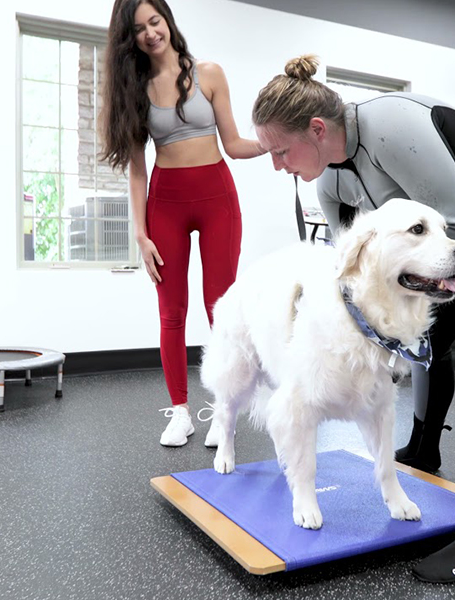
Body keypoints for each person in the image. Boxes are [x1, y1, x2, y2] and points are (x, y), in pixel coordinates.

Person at [251, 55, 455, 583]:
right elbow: (349, 263)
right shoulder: (328, 185)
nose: (277, 165)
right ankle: (422, 449)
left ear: (316, 129)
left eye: (280, 151)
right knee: (416, 334)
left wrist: (416, 285)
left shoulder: (392, 124)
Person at [101, 0, 265, 447]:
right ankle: (179, 412)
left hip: (217, 200)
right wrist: (140, 233)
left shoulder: (208, 74)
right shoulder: (135, 89)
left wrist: (275, 144)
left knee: (220, 308)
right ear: (129, 38)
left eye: (155, 21)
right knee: (171, 312)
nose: (150, 32)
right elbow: (137, 169)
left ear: (167, 21)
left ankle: (223, 409)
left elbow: (233, 144)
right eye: (139, 29)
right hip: (166, 205)